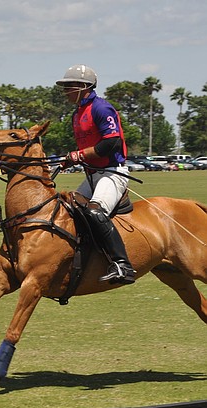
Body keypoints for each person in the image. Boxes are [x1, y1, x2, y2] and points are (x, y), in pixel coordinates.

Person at [57, 64, 136, 285]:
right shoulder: (77, 114)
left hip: (112, 173)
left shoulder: (101, 108)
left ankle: (123, 266)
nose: (65, 92)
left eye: (69, 86)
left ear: (84, 86)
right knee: (68, 208)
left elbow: (112, 142)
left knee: (94, 212)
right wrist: (69, 160)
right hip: (93, 176)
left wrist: (79, 155)